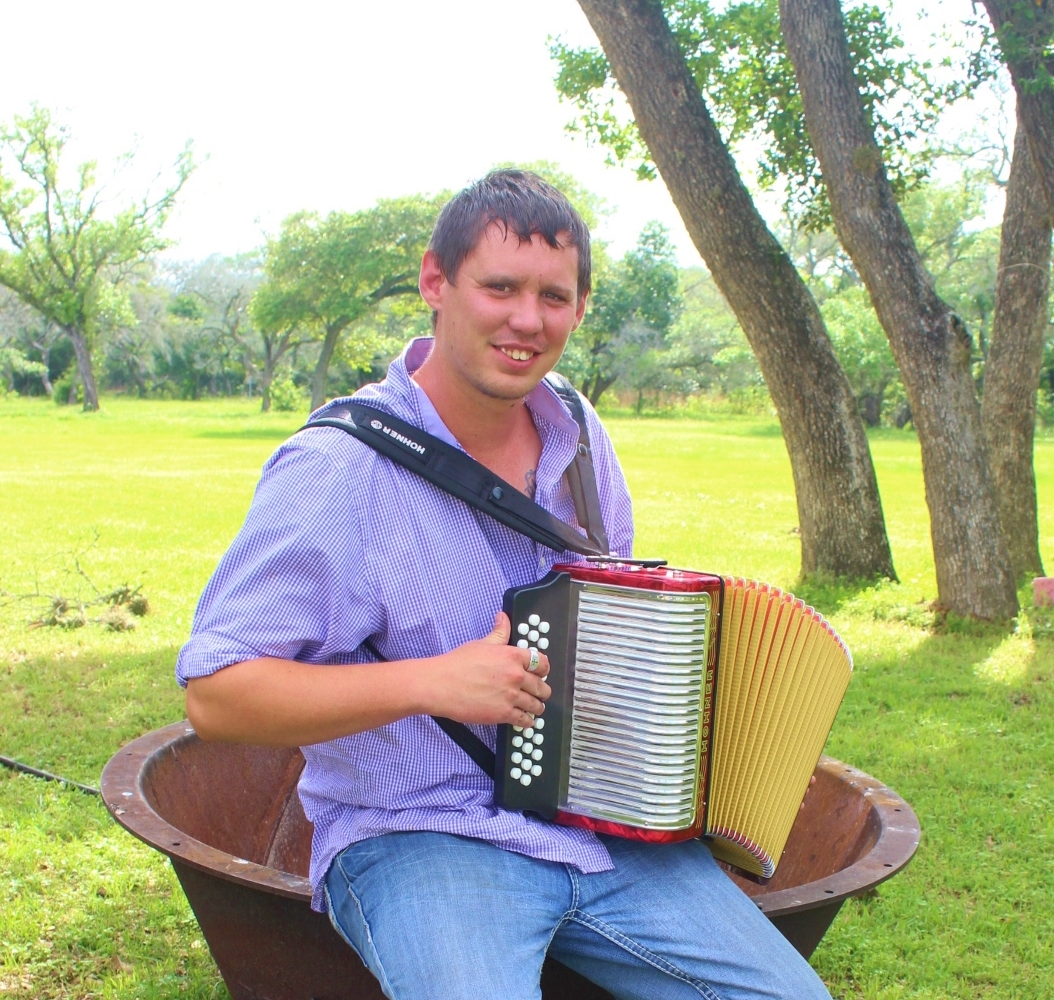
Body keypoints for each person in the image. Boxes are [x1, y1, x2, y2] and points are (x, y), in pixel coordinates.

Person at [177, 169, 831, 1000]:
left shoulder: (581, 436)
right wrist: (433, 682)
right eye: (500, 287)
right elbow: (218, 694)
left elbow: (605, 628)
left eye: (554, 297)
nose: (528, 320)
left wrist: (706, 726)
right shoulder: (338, 471)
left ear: (580, 306)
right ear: (435, 282)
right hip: (417, 833)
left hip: (600, 824)